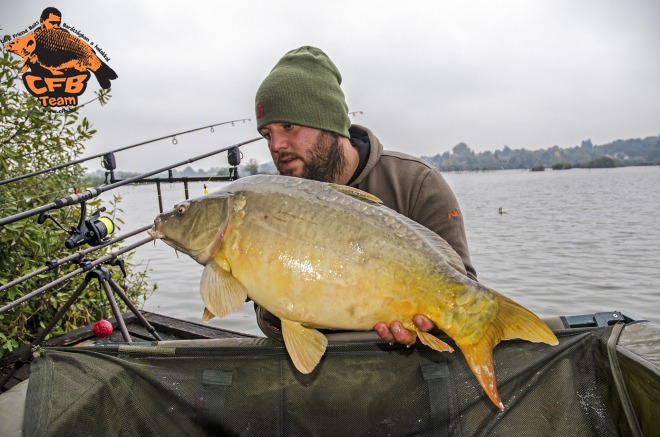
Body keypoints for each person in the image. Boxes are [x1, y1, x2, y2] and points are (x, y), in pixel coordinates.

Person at [254, 46, 477, 346]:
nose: (276, 145)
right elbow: (270, 323)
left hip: (410, 377)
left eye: (289, 126)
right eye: (267, 134)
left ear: (330, 123)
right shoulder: (272, 205)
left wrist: (431, 327)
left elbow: (464, 293)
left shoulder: (417, 184)